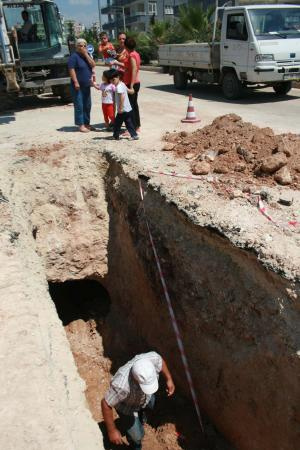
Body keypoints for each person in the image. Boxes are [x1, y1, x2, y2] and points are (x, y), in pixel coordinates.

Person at [102, 352, 175, 449]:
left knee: (151, 404)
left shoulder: (151, 359)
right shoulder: (121, 386)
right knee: (137, 436)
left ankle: (141, 415)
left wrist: (169, 379)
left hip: (144, 397)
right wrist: (111, 430)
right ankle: (135, 445)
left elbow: (160, 361)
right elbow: (105, 403)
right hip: (127, 407)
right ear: (135, 380)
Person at [68, 38, 96, 133]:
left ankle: (87, 123)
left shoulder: (86, 56)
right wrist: (75, 82)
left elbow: (93, 65)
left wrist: (86, 54)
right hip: (78, 85)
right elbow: (71, 69)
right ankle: (81, 125)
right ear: (76, 47)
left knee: (87, 105)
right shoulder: (73, 57)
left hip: (86, 85)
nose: (82, 47)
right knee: (79, 105)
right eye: (80, 45)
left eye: (84, 45)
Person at [107, 69, 138, 141]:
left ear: (118, 77)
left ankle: (115, 136)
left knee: (117, 123)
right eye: (111, 81)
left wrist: (120, 108)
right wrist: (132, 91)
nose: (112, 82)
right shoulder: (122, 84)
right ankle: (134, 135)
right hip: (128, 108)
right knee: (128, 123)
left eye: (113, 80)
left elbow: (122, 97)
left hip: (123, 110)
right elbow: (129, 91)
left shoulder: (118, 87)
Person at [123, 37, 141, 133]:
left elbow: (134, 69)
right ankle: (137, 126)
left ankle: (132, 128)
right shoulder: (136, 54)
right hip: (134, 82)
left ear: (125, 46)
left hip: (132, 83)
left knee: (129, 106)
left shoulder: (131, 55)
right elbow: (130, 68)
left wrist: (131, 86)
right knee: (134, 105)